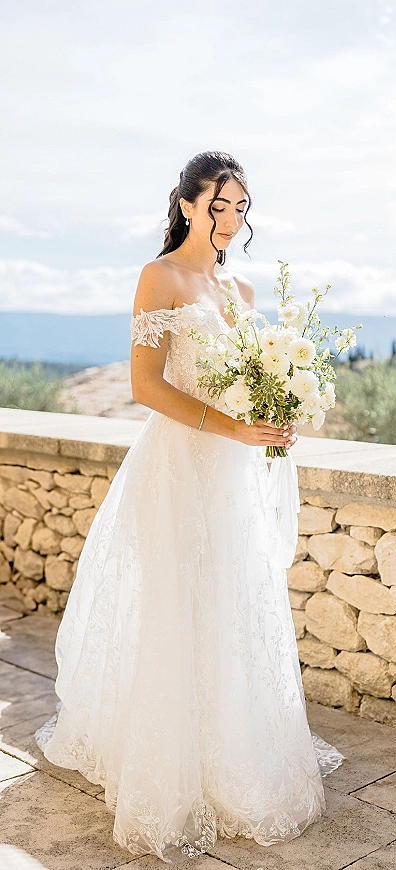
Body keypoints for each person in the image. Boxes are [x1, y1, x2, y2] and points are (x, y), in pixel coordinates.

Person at [36, 151, 344, 863]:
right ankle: (168, 769)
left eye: (240, 208)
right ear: (184, 204)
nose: (231, 220)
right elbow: (146, 385)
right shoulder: (160, 277)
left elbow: (250, 376)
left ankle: (232, 761)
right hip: (178, 467)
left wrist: (273, 410)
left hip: (232, 472)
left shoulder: (241, 288)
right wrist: (232, 424)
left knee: (234, 606)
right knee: (178, 607)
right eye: (219, 206)